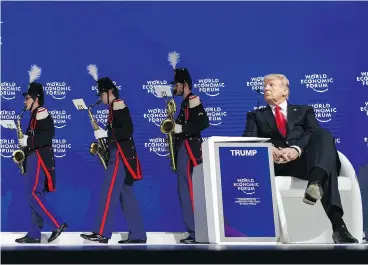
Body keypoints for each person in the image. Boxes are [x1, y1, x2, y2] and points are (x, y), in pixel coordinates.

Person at [242, 73, 358, 244]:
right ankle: (338, 226)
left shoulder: (304, 111)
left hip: (303, 162)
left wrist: (296, 149)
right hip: (277, 165)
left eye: (271, 85)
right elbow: (248, 140)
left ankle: (315, 182)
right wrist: (270, 149)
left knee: (324, 135)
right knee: (327, 167)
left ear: (285, 90)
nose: (265, 88)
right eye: (264, 86)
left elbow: (314, 133)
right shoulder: (255, 115)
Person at [80, 67, 146, 244]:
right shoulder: (114, 106)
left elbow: (127, 130)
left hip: (120, 155)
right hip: (121, 153)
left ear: (110, 92)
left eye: (101, 94)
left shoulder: (118, 104)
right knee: (126, 194)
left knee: (108, 192)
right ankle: (138, 234)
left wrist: (106, 135)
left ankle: (102, 232)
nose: (100, 99)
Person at [15, 65, 67, 244]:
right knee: (35, 194)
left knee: (33, 194)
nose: (24, 102)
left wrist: (28, 142)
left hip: (38, 157)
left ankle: (57, 223)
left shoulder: (42, 112)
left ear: (36, 99)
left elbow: (47, 136)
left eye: (27, 98)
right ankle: (34, 234)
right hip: (33, 156)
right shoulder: (34, 114)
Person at [171, 68, 210, 244]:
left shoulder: (193, 99)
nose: (174, 87)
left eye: (176, 84)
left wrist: (182, 129)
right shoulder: (185, 103)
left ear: (184, 85)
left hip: (189, 148)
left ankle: (197, 232)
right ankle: (194, 231)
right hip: (183, 148)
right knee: (185, 190)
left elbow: (203, 122)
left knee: (189, 190)